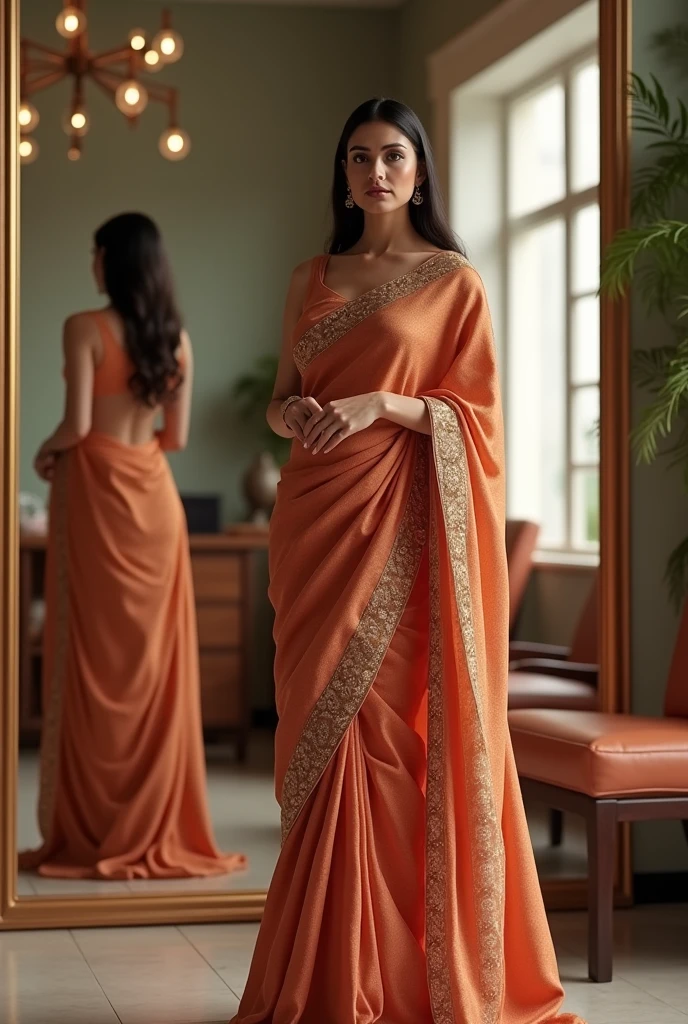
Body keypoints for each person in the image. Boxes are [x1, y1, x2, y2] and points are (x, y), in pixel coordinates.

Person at [230, 100, 584, 1023]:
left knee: (391, 739)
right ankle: (320, 972)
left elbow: (480, 421)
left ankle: (391, 973)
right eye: (359, 158)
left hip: (402, 534)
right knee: (318, 736)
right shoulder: (314, 273)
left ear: (420, 171)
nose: (375, 173)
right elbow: (279, 399)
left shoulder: (453, 282)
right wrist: (296, 417)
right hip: (314, 527)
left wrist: (387, 404)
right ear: (342, 174)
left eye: (393, 157)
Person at [20, 213, 245, 881]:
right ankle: (154, 819)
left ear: (111, 262)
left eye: (96, 254)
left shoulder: (83, 328)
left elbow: (77, 424)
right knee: (151, 665)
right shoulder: (175, 339)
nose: (92, 264)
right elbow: (172, 440)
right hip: (153, 500)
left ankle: (93, 824)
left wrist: (45, 449)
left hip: (96, 498)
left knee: (92, 656)